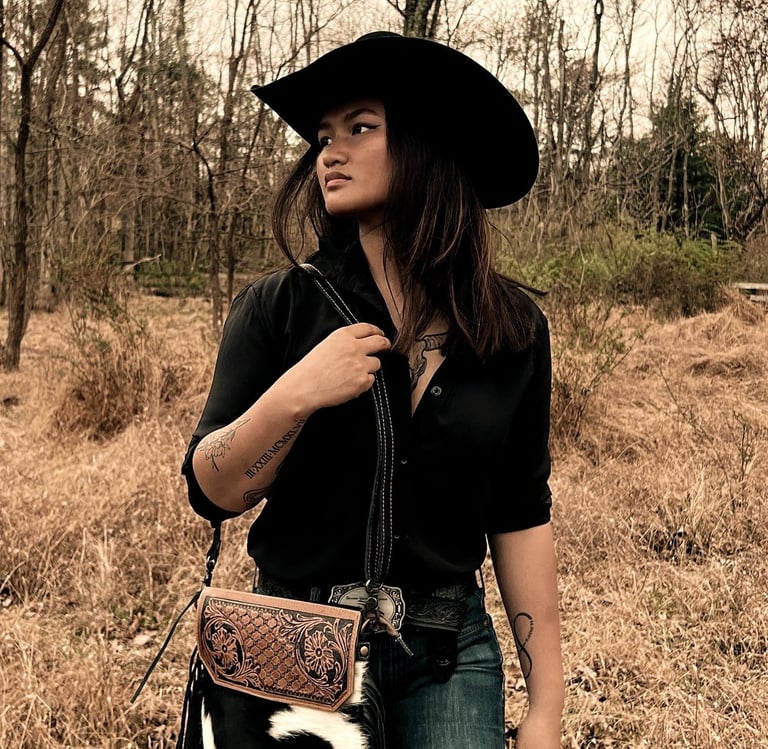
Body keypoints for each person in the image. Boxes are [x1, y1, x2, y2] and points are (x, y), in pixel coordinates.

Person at [182, 31, 564, 749]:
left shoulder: (512, 330)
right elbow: (213, 486)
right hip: (294, 642)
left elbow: (521, 514)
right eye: (324, 135)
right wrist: (294, 393)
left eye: (360, 128)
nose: (330, 150)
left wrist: (547, 702)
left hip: (450, 652)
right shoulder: (279, 307)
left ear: (427, 143)